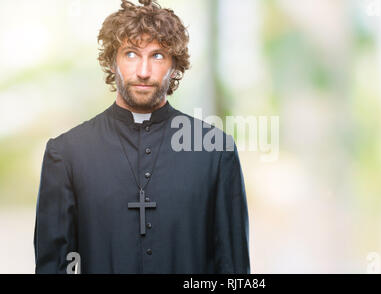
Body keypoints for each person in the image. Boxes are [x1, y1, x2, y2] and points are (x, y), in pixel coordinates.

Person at [33, 0, 250, 274]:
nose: (144, 71)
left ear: (175, 66)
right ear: (113, 62)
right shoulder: (66, 154)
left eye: (158, 55)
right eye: (131, 54)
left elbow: (234, 270)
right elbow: (54, 267)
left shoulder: (216, 151)